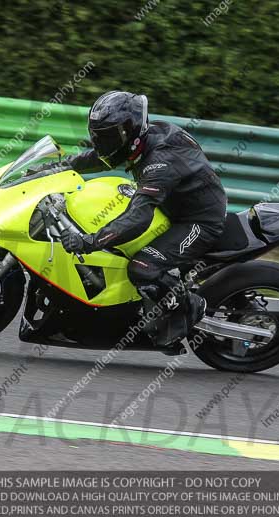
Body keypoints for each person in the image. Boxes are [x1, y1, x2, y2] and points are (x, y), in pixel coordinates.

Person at [53, 91, 227, 347]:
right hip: (171, 205)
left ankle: (189, 307)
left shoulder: (160, 163)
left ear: (130, 131)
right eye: (98, 135)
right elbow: (101, 156)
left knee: (143, 267)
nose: (101, 142)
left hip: (198, 221)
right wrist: (61, 166)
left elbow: (138, 219)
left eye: (108, 136)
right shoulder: (141, 139)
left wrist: (88, 242)